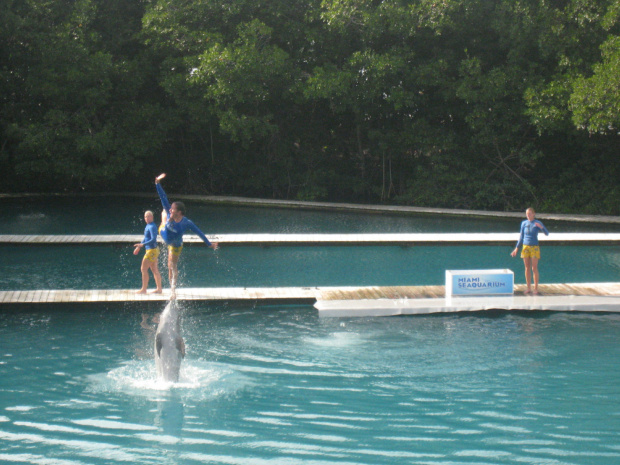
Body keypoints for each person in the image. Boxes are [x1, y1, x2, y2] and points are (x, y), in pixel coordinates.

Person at [155, 173, 219, 294]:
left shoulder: (187, 223)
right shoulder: (170, 213)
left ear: (179, 212)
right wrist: (157, 183)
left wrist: (209, 244)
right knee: (164, 214)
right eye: (171, 208)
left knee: (172, 266)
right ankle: (165, 220)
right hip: (164, 232)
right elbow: (163, 197)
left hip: (175, 244)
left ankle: (172, 289)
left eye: (173, 209)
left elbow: (199, 232)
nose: (171, 210)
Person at [511, 207, 549, 295]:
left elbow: (547, 233)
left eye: (529, 214)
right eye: (527, 214)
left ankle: (535, 288)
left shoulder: (537, 223)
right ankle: (528, 287)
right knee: (527, 268)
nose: (528, 215)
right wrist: (516, 248)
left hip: (534, 247)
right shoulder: (524, 223)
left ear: (533, 214)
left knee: (534, 268)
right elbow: (521, 237)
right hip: (525, 247)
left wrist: (542, 227)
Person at [133, 210, 163, 294]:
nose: (147, 218)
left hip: (152, 250)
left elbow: (153, 239)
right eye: (145, 216)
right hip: (152, 250)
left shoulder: (152, 226)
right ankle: (159, 289)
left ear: (152, 217)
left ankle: (144, 289)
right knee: (154, 269)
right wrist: (139, 246)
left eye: (148, 216)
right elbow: (146, 238)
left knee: (143, 269)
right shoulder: (147, 226)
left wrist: (142, 245)